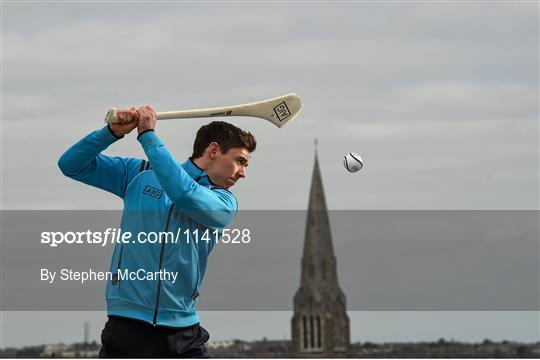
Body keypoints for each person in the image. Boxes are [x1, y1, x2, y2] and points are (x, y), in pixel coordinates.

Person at [58, 105, 256, 357]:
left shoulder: (224, 202)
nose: (243, 173)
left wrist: (148, 135)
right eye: (240, 161)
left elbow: (183, 193)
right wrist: (110, 133)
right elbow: (70, 164)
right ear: (214, 150)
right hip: (126, 327)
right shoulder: (138, 174)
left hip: (183, 333)